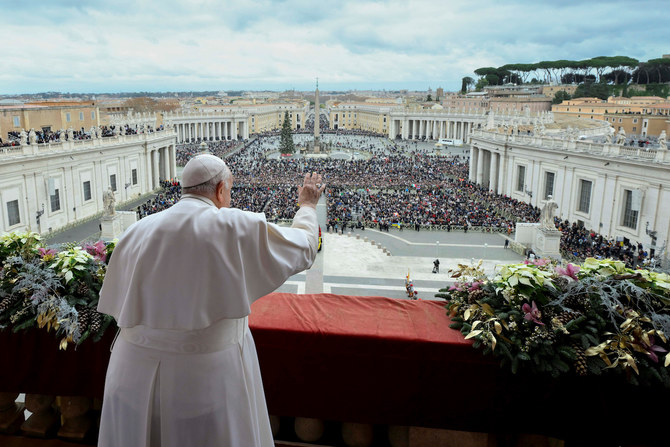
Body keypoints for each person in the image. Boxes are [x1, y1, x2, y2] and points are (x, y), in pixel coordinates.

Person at [97, 154, 325, 447]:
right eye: (229, 191)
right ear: (220, 190)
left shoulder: (136, 231)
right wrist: (307, 205)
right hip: (202, 381)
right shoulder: (232, 225)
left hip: (129, 376)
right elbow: (305, 247)